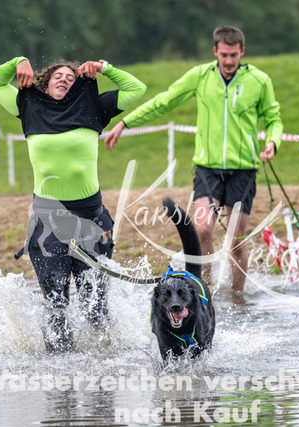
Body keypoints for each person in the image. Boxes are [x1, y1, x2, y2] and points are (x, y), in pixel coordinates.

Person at [104, 26, 283, 293]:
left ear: (242, 52)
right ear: (215, 51)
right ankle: (203, 290)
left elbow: (273, 118)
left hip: (244, 170)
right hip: (207, 169)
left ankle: (239, 298)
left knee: (235, 240)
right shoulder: (200, 76)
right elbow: (164, 102)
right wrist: (125, 122)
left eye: (234, 55)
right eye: (224, 55)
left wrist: (272, 142)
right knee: (203, 229)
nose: (229, 61)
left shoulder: (259, 81)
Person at [0, 56, 146, 352]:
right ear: (45, 84)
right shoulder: (29, 106)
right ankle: (59, 375)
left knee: (95, 309)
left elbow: (136, 89)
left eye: (71, 78)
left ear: (79, 86)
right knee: (56, 308)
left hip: (91, 223)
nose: (64, 79)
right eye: (58, 76)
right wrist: (18, 62)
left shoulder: (93, 107)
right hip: (48, 226)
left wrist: (105, 69)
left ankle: (104, 366)